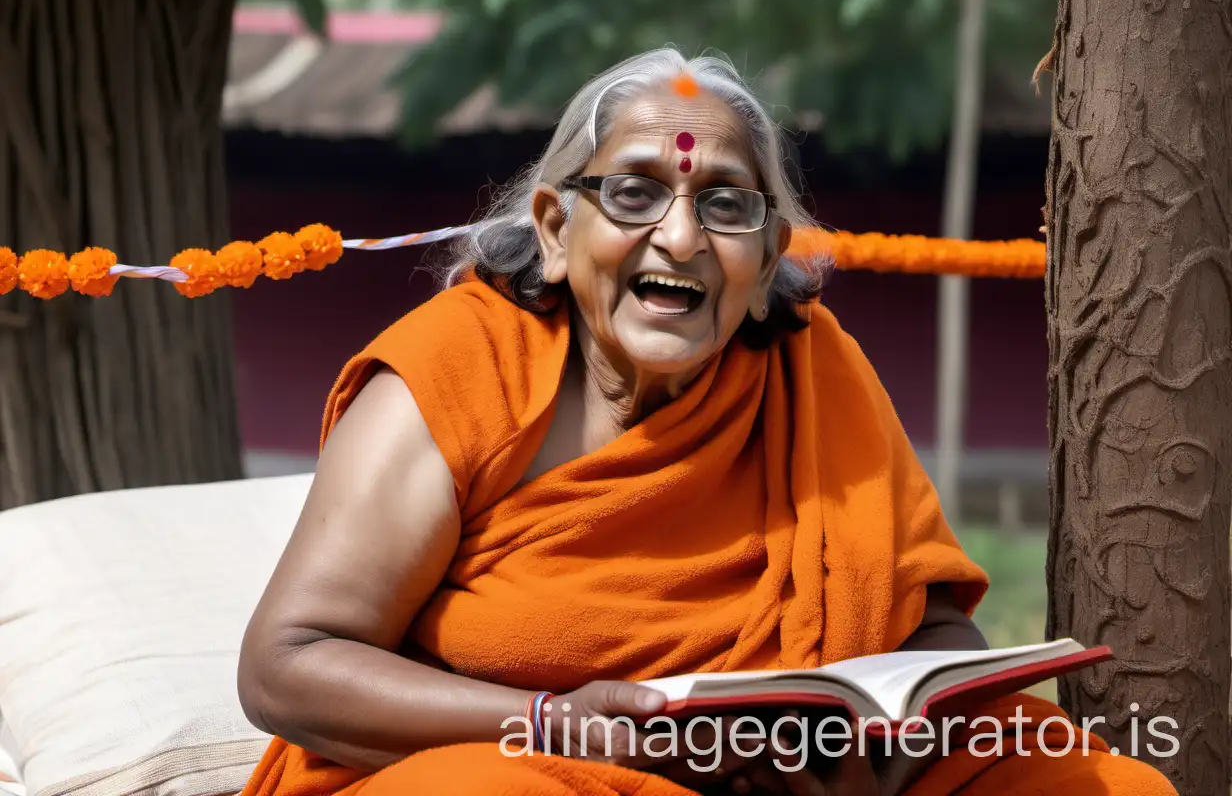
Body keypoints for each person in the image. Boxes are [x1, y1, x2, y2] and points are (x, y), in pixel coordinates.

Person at [235, 49, 1177, 795]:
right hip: (524, 761)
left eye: (725, 204)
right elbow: (290, 666)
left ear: (767, 257)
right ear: (558, 230)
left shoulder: (812, 366)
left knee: (1096, 780)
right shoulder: (460, 367)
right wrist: (550, 719)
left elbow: (932, 631)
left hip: (794, 781)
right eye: (635, 192)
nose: (680, 238)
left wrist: (883, 742)